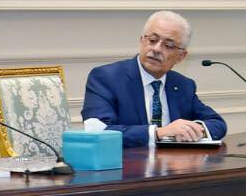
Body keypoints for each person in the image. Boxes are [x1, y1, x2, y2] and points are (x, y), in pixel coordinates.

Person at [81, 10, 227, 147]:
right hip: (127, 164)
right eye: (152, 40)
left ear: (181, 56)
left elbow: (218, 124)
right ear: (141, 41)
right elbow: (97, 131)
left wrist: (194, 130)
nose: (156, 49)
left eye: (168, 45)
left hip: (175, 163)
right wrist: (158, 133)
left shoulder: (183, 85)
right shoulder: (107, 78)